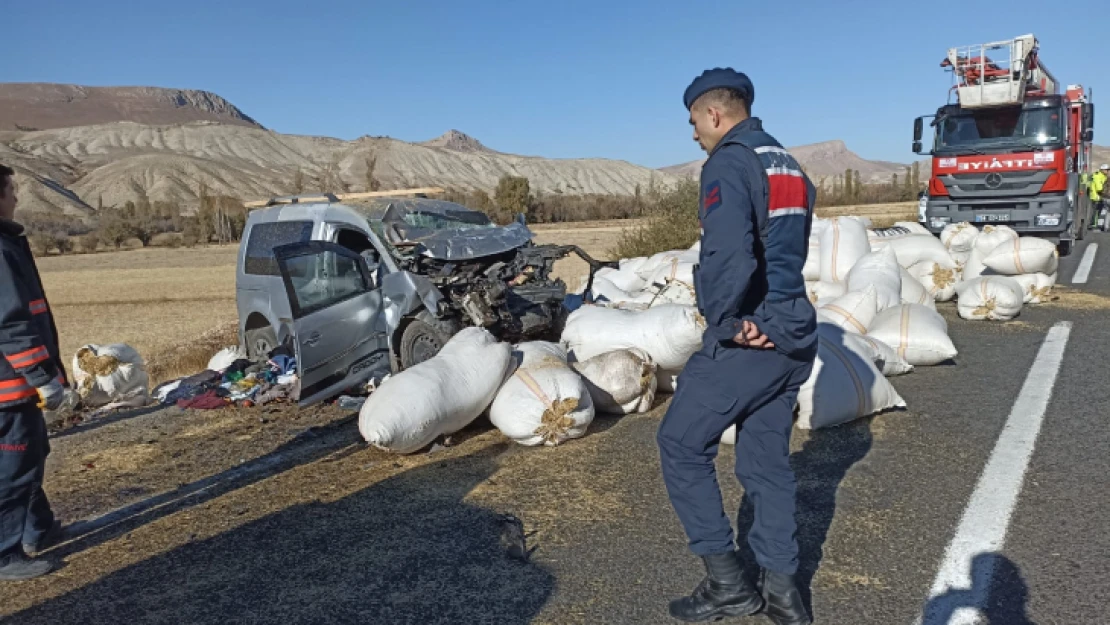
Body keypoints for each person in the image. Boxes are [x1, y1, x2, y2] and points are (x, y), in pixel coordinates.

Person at [656, 69, 818, 624]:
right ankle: (784, 594)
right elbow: (785, 252)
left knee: (680, 443)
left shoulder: (729, 160)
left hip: (753, 337)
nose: (694, 134)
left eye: (694, 122)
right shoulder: (787, 163)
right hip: (795, 332)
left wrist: (725, 323)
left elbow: (729, 255)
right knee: (765, 464)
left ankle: (728, 586)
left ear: (714, 115)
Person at [0, 164, 68, 580]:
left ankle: (38, 528)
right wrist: (42, 375)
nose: (16, 197)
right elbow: (11, 321)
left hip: (13, 384)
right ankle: (6, 553)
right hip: (9, 387)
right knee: (14, 465)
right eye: (9, 190)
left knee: (30, 455)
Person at [1090, 164, 1108, 230]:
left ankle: (1099, 224)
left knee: (1101, 211)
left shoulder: (1103, 176)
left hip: (1101, 197)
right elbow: (1099, 188)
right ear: (1102, 170)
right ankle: (1095, 225)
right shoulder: (1098, 176)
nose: (1107, 171)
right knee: (1097, 212)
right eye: (1106, 170)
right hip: (1097, 197)